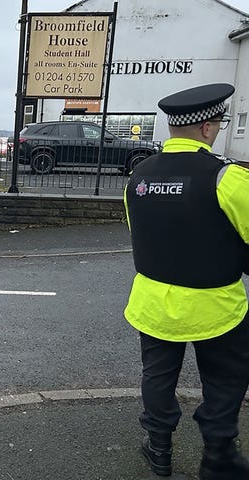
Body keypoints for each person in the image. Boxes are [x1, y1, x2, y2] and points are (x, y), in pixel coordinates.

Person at [124, 83, 249, 479]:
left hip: (153, 303)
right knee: (226, 379)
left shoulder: (138, 178)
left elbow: (139, 232)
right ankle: (217, 454)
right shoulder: (227, 178)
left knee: (157, 376)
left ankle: (159, 448)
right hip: (215, 305)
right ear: (209, 128)